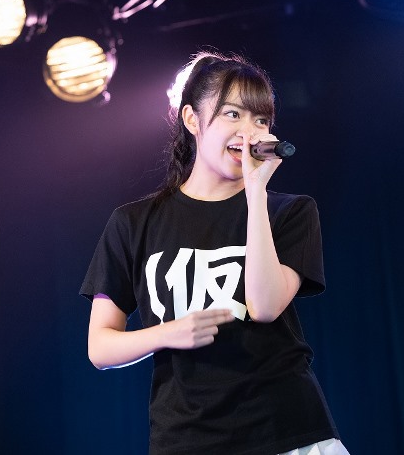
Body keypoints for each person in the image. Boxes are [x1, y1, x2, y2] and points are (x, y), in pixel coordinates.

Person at [79, 50, 349, 455]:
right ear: (192, 119)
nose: (249, 132)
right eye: (233, 114)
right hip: (186, 439)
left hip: (287, 432)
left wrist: (255, 193)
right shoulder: (133, 223)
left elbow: (265, 307)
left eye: (261, 120)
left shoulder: (290, 211)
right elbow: (100, 348)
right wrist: (170, 333)